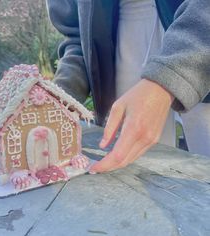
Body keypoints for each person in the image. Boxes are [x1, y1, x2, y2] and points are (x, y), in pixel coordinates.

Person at [47, 0, 210, 173]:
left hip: (200, 32)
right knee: (140, 174)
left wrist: (171, 75)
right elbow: (77, 34)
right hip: (121, 41)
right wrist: (59, 97)